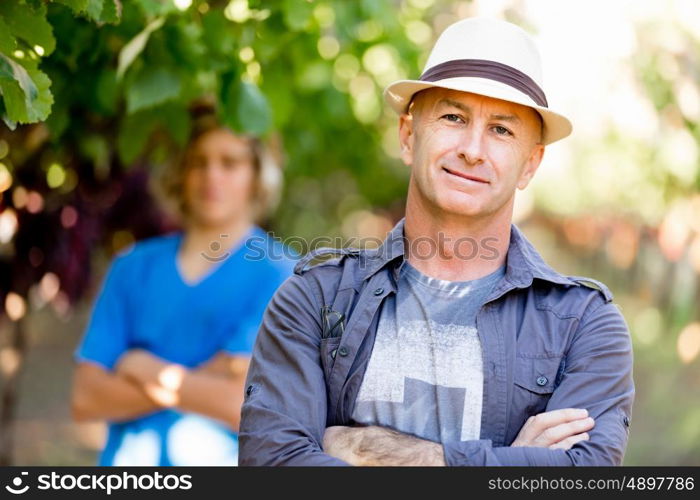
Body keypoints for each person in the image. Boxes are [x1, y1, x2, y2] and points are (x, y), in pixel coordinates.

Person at [239, 17, 635, 466]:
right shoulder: (315, 297)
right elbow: (271, 463)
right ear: (409, 136)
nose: (472, 148)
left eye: (501, 130)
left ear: (530, 164)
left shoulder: (583, 326)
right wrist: (510, 463)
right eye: (453, 117)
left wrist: (372, 450)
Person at [71, 108, 294, 465]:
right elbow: (87, 399)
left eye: (229, 163)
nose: (212, 176)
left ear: (257, 176)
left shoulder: (283, 275)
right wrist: (210, 375)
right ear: (180, 173)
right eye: (198, 162)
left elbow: (252, 410)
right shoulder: (132, 267)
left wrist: (142, 367)